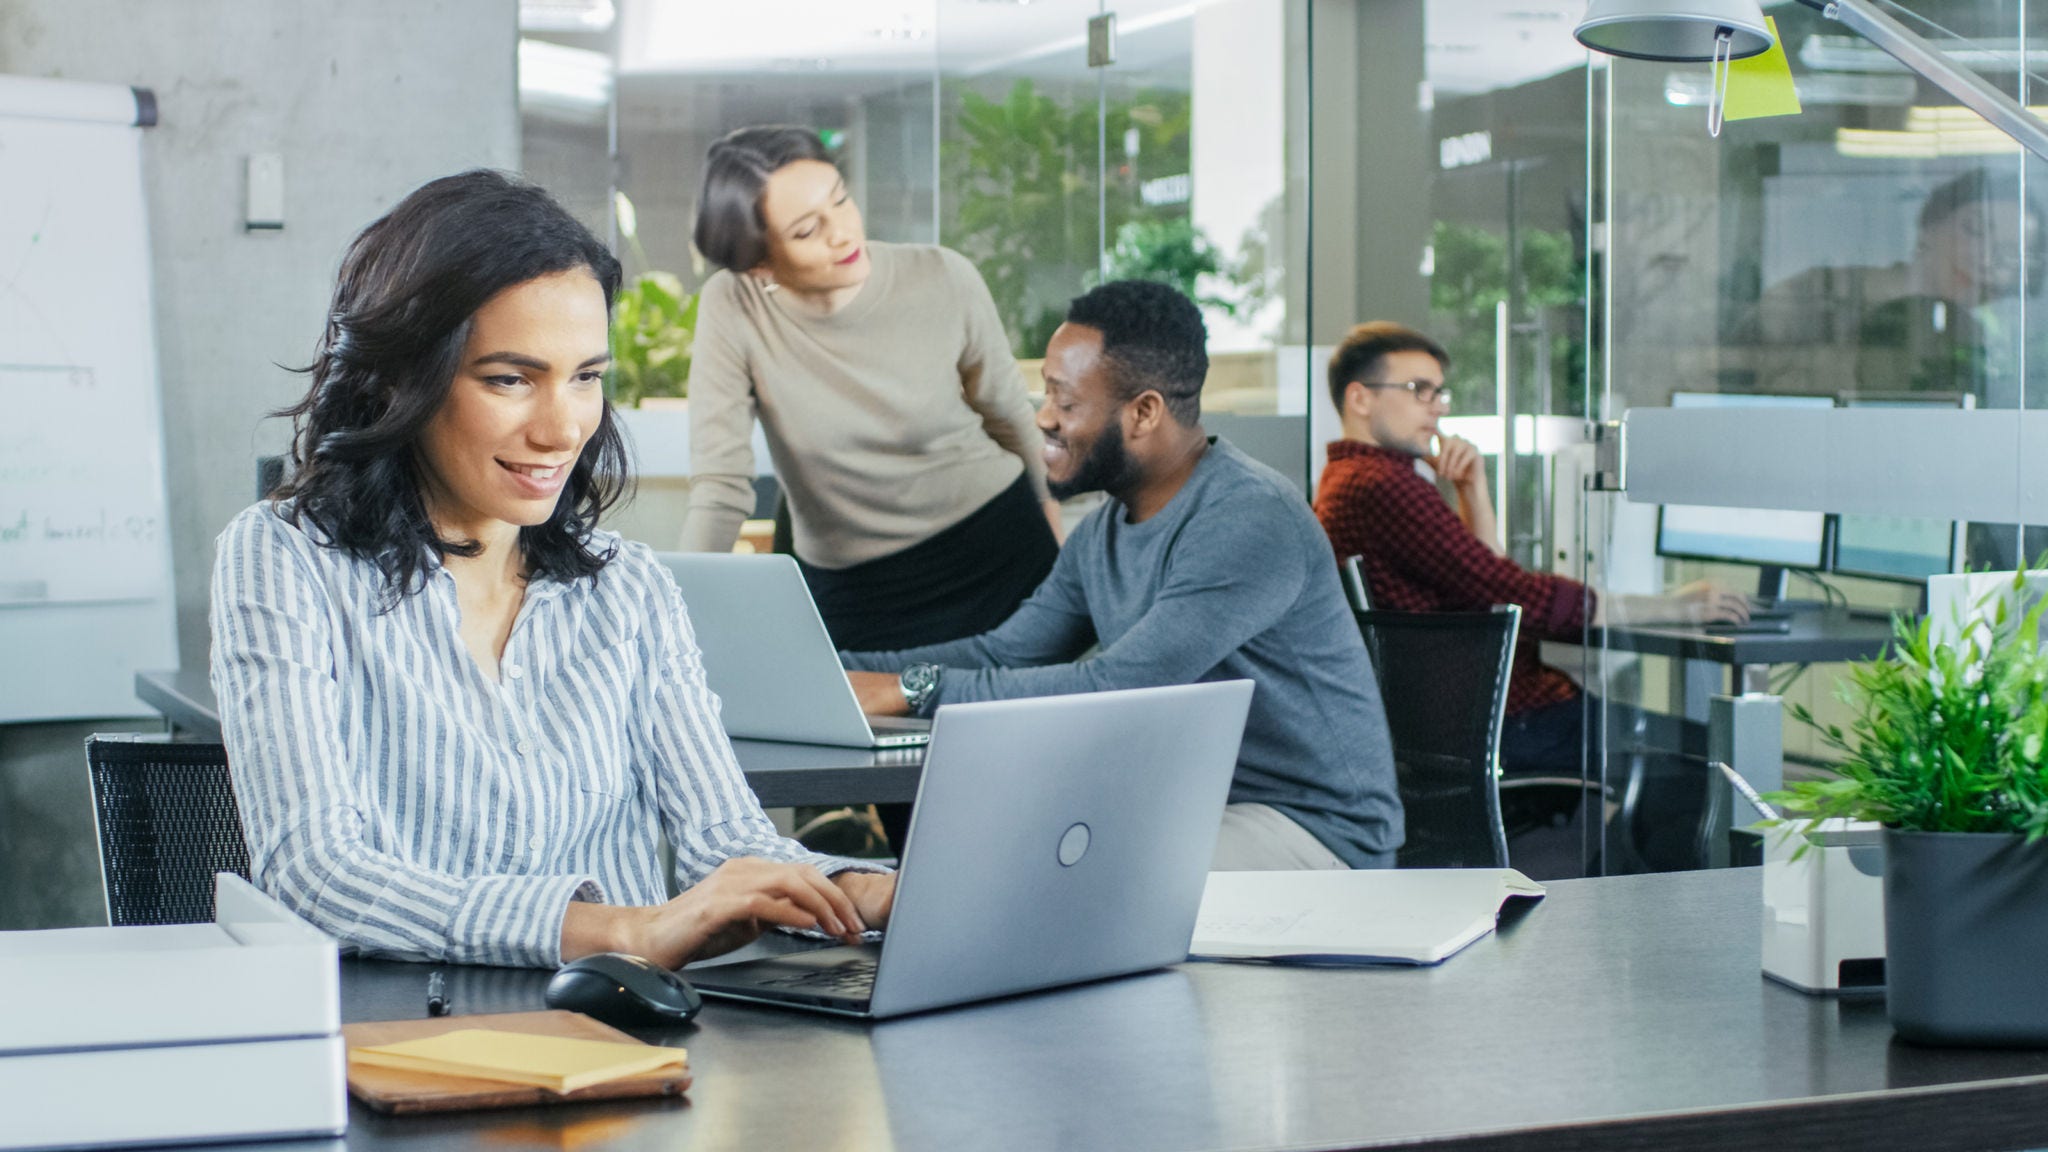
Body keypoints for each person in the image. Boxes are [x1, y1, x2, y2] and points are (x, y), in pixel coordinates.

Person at [210, 170, 893, 969]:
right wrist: (625, 933)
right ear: (402, 376)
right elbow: (314, 875)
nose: (562, 427)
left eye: (587, 378)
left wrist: (865, 888)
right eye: (510, 378)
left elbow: (727, 844)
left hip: (629, 1040)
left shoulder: (627, 589)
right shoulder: (282, 559)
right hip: (411, 1045)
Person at [842, 280, 1403, 871]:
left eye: (1065, 400)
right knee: (990, 853)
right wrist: (838, 675)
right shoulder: (1106, 530)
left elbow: (1121, 687)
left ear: (1143, 412)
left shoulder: (1249, 518)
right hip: (1194, 806)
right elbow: (1005, 651)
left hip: (1317, 833)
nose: (1044, 418)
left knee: (1051, 872)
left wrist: (913, 689)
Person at [1312, 321, 1749, 782]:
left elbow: (1488, 583)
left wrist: (1472, 489)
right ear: (1360, 398)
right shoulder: (1384, 487)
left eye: (1440, 393)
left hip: (1469, 723)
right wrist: (1674, 608)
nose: (1437, 408)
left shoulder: (1353, 482)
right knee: (1715, 754)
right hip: (1503, 721)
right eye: (1419, 390)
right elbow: (1516, 595)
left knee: (1686, 753)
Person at [681, 125, 1061, 653]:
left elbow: (1010, 417)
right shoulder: (733, 305)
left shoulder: (943, 277)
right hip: (853, 592)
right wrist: (675, 616)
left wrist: (1055, 531)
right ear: (759, 262)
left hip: (997, 550)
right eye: (808, 230)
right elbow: (720, 484)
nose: (843, 234)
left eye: (841, 201)